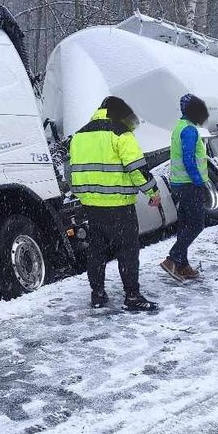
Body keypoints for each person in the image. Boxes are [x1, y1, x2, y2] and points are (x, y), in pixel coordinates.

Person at [69, 96, 161, 310]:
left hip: (91, 204)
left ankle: (98, 295)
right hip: (119, 204)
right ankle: (132, 297)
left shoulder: (79, 135)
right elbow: (136, 168)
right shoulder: (120, 132)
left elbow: (72, 171)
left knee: (96, 251)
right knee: (127, 251)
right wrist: (152, 191)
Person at [161, 94, 210, 281]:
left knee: (185, 225)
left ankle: (183, 266)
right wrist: (199, 182)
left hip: (180, 184)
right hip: (190, 185)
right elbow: (189, 160)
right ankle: (173, 258)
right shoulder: (189, 130)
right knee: (197, 224)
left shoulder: (179, 127)